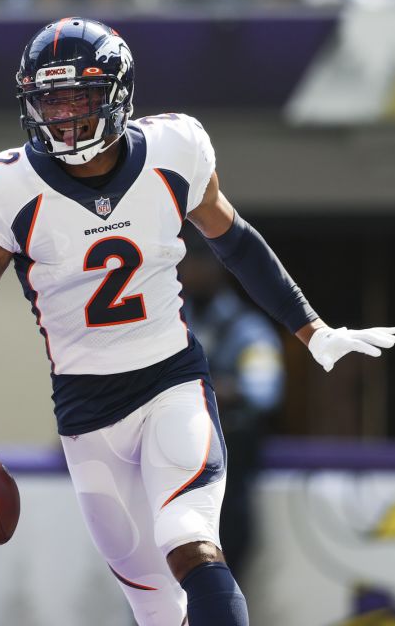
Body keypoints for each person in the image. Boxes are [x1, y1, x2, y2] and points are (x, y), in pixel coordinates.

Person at [0, 18, 395, 626]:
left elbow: (235, 240)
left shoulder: (175, 150)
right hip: (85, 410)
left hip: (172, 382)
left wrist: (311, 328)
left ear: (117, 94)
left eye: (80, 96)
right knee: (153, 602)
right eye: (50, 99)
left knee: (191, 540)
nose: (63, 115)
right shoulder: (2, 188)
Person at [178, 238, 285, 581]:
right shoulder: (173, 323)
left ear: (216, 269)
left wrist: (204, 389)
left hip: (228, 476)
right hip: (174, 467)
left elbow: (264, 391)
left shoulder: (248, 329)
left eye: (197, 263)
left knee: (223, 578)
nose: (188, 272)